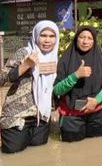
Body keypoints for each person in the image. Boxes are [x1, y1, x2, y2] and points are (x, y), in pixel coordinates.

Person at [0, 20, 59, 153]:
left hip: (42, 119)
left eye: (52, 36)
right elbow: (1, 79)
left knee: (39, 155)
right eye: (43, 35)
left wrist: (57, 108)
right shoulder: (24, 53)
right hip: (16, 118)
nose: (47, 40)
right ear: (36, 35)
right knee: (13, 155)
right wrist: (25, 65)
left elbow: (54, 87)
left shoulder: (54, 57)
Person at [54, 26, 102, 142]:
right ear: (76, 39)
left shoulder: (99, 59)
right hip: (71, 116)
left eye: (89, 38)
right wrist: (75, 76)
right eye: (81, 37)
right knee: (71, 152)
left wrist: (96, 101)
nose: (85, 41)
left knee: (96, 149)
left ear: (94, 41)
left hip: (96, 115)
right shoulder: (65, 60)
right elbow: (57, 90)